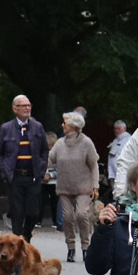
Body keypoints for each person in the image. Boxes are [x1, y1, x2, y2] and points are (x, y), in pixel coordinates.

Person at [0, 95, 48, 237]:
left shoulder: (37, 127)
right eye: (23, 105)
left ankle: (26, 236)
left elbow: (44, 150)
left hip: (33, 176)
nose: (27, 108)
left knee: (33, 212)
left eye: (29, 105)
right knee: (17, 211)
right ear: (15, 108)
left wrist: (41, 170)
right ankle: (17, 240)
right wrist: (5, 172)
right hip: (15, 176)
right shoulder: (6, 128)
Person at [51, 111, 99, 263]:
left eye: (65, 123)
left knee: (81, 215)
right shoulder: (60, 143)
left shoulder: (86, 142)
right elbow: (50, 159)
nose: (62, 125)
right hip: (64, 187)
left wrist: (95, 185)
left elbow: (94, 165)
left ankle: (85, 247)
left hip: (83, 186)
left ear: (73, 125)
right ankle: (71, 248)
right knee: (67, 217)